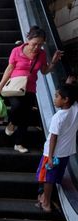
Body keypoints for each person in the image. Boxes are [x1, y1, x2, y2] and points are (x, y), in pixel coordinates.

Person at [0, 26, 64, 153]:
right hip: (15, 87)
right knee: (17, 106)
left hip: (30, 88)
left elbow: (44, 71)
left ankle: (19, 144)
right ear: (28, 39)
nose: (37, 47)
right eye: (34, 44)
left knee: (25, 117)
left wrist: (53, 62)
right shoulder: (16, 51)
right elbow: (9, 69)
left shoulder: (41, 54)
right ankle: (12, 123)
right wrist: (0, 85)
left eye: (40, 45)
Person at [36, 83, 78, 212]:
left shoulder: (58, 117)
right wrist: (69, 84)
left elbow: (53, 137)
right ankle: (43, 197)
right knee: (52, 177)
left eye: (57, 96)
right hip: (65, 153)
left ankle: (46, 201)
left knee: (49, 178)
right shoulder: (75, 110)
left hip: (52, 153)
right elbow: (74, 99)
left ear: (66, 100)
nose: (54, 99)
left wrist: (50, 157)